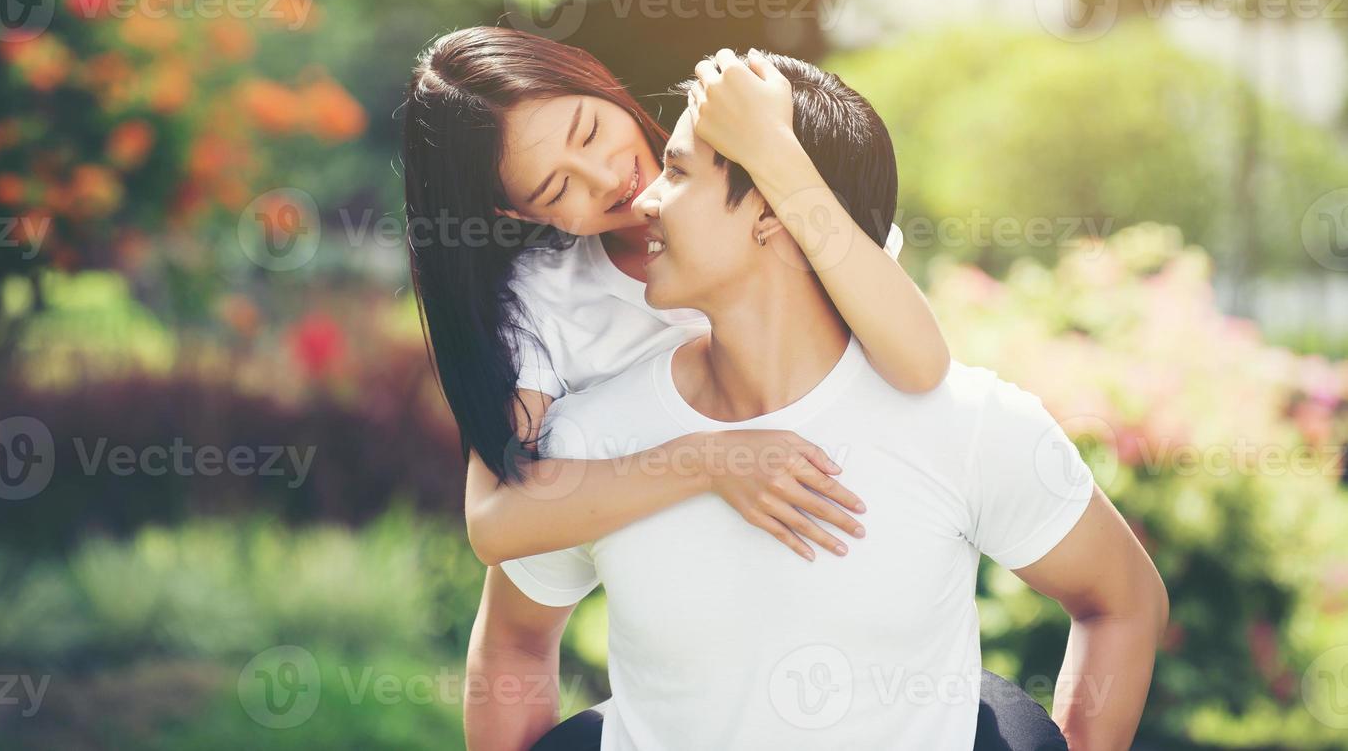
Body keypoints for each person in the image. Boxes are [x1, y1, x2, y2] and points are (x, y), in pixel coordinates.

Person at [473, 51, 1170, 750]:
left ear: (774, 215)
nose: (643, 198)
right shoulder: (587, 446)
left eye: (678, 172)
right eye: (556, 184)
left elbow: (1123, 603)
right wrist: (705, 460)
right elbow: (509, 642)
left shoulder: (965, 424)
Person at [403, 27, 949, 578]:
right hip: (692, 574)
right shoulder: (545, 301)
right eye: (556, 189)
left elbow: (920, 364)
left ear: (599, 80)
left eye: (590, 132)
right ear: (518, 214)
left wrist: (770, 151)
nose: (609, 178)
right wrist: (708, 460)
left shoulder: (750, 154)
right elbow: (497, 520)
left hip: (862, 534)